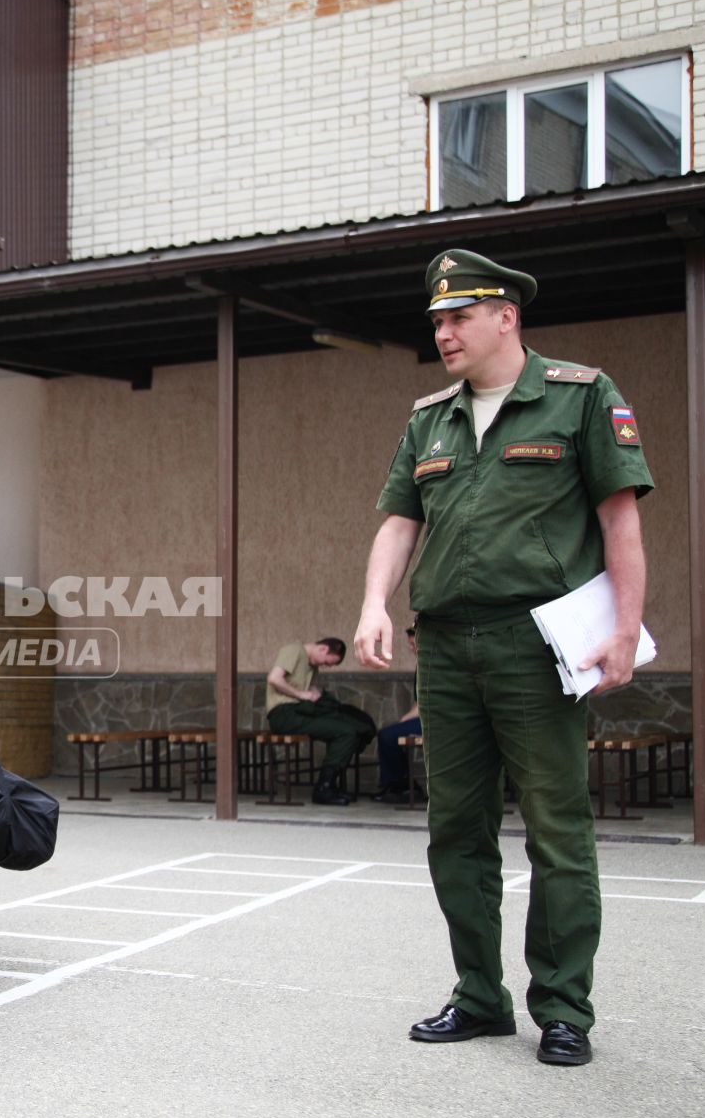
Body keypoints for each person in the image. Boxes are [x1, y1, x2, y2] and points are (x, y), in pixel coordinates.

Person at [353, 249, 652, 1068]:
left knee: (557, 827)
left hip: (534, 643)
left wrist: (625, 628)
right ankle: (479, 996)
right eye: (438, 321)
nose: (444, 332)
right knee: (456, 826)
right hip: (445, 645)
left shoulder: (580, 397)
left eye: (459, 317)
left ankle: (562, 1007)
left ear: (506, 317)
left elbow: (620, 518)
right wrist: (375, 602)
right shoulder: (430, 418)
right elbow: (399, 520)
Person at [264, 637, 376, 805]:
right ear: (323, 649)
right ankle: (323, 788)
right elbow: (274, 678)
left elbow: (307, 687)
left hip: (301, 711)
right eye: (327, 662)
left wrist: (315, 693)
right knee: (345, 731)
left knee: (349, 726)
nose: (325, 665)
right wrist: (300, 694)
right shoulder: (294, 649)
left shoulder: (312, 666)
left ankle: (330, 785)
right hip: (283, 713)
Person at [372, 627, 423, 804]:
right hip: (426, 718)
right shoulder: (422, 665)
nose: (411, 648)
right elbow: (419, 703)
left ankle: (400, 784)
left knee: (387, 736)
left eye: (413, 643)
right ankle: (402, 783)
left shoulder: (434, 665)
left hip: (440, 721)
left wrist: (403, 722)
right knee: (390, 733)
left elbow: (424, 705)